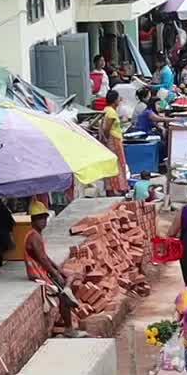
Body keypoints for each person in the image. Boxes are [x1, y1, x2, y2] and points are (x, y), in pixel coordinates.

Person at [24, 200, 85, 336]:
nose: (43, 222)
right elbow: (42, 259)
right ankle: (69, 328)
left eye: (44, 218)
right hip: (37, 273)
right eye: (40, 219)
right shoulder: (34, 236)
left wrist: (59, 269)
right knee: (64, 289)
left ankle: (67, 292)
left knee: (68, 278)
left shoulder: (37, 235)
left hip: (41, 270)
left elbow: (46, 257)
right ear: (33, 220)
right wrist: (55, 274)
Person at [99, 90, 129, 197]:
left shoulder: (107, 110)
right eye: (118, 98)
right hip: (114, 140)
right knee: (118, 165)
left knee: (113, 165)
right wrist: (107, 140)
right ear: (114, 100)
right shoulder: (111, 112)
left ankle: (112, 188)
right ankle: (117, 188)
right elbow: (107, 129)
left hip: (113, 139)